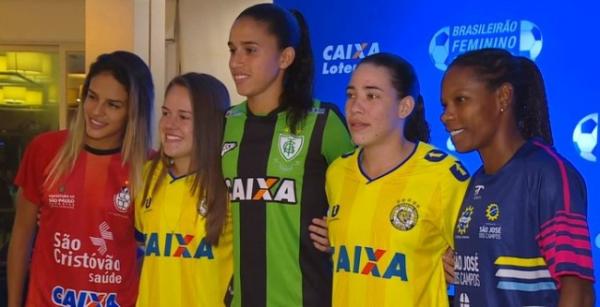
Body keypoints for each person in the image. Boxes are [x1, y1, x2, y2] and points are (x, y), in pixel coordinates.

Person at [441, 48, 595, 307]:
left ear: (503, 97)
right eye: (445, 105)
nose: (446, 116)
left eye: (461, 100)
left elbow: (578, 293)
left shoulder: (549, 174)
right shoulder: (474, 183)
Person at [223, 3, 354, 306]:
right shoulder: (227, 123)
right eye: (232, 50)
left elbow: (363, 193)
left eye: (250, 50)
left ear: (285, 57)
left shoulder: (322, 121)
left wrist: (342, 232)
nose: (236, 62)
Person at [321, 52, 469, 307]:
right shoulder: (337, 172)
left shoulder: (443, 175)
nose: (355, 107)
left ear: (404, 107)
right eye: (351, 94)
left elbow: (477, 258)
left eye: (372, 95)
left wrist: (462, 266)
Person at [7, 51, 154, 307]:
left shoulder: (149, 167)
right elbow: (21, 237)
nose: (96, 112)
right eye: (92, 97)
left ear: (134, 111)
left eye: (113, 105)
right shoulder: (45, 150)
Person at [135, 73, 233, 306]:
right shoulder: (147, 175)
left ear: (209, 122)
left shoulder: (231, 182)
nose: (169, 125)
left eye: (184, 117)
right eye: (166, 113)